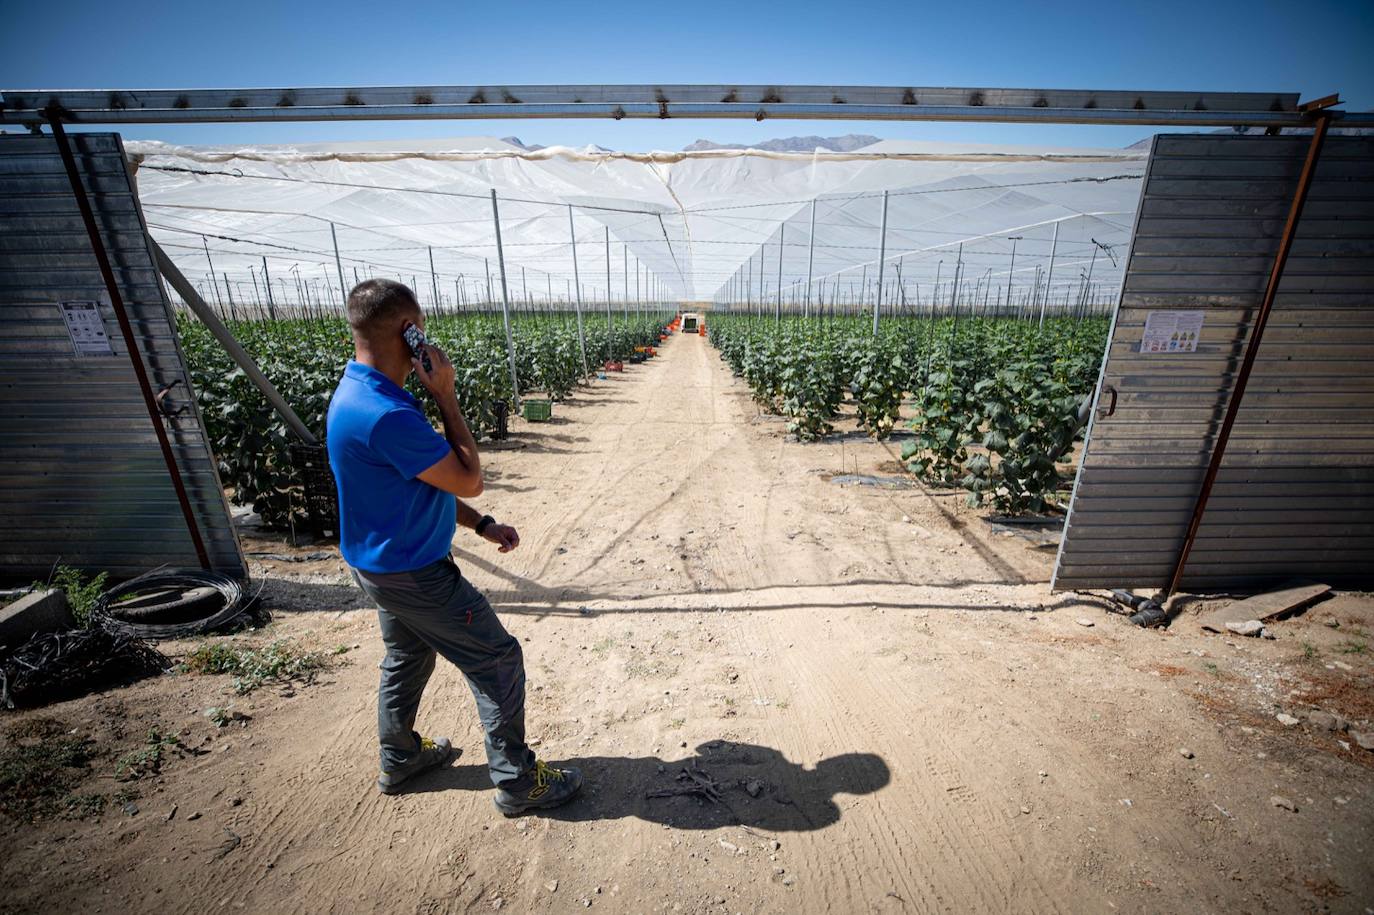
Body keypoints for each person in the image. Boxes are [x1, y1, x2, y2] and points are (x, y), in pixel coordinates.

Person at [326, 278, 581, 815]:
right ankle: (517, 781)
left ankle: (399, 757)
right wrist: (445, 393)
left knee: (407, 653)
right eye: (421, 328)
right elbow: (467, 477)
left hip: (379, 565)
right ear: (409, 332)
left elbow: (420, 484)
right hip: (415, 573)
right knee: (498, 659)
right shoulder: (389, 415)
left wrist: (480, 525)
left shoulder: (356, 392)